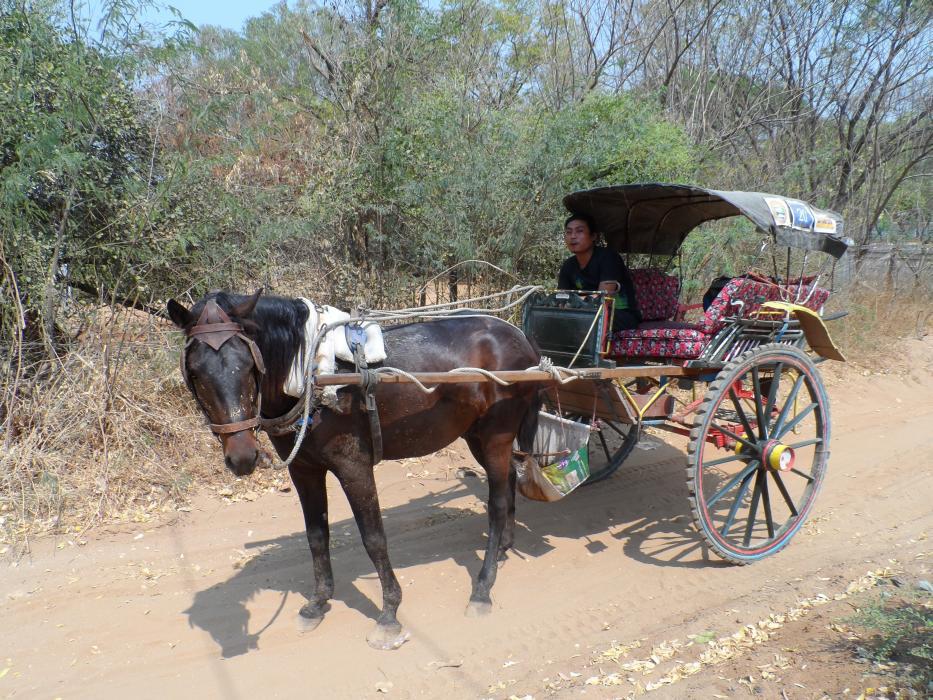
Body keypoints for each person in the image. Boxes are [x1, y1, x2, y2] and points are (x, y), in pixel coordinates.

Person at [557, 213, 641, 330]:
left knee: (584, 317)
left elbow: (602, 299)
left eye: (579, 231)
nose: (573, 236)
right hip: (584, 312)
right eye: (569, 232)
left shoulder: (609, 258)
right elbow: (561, 297)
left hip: (619, 314)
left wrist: (573, 302)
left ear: (593, 236)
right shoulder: (568, 266)